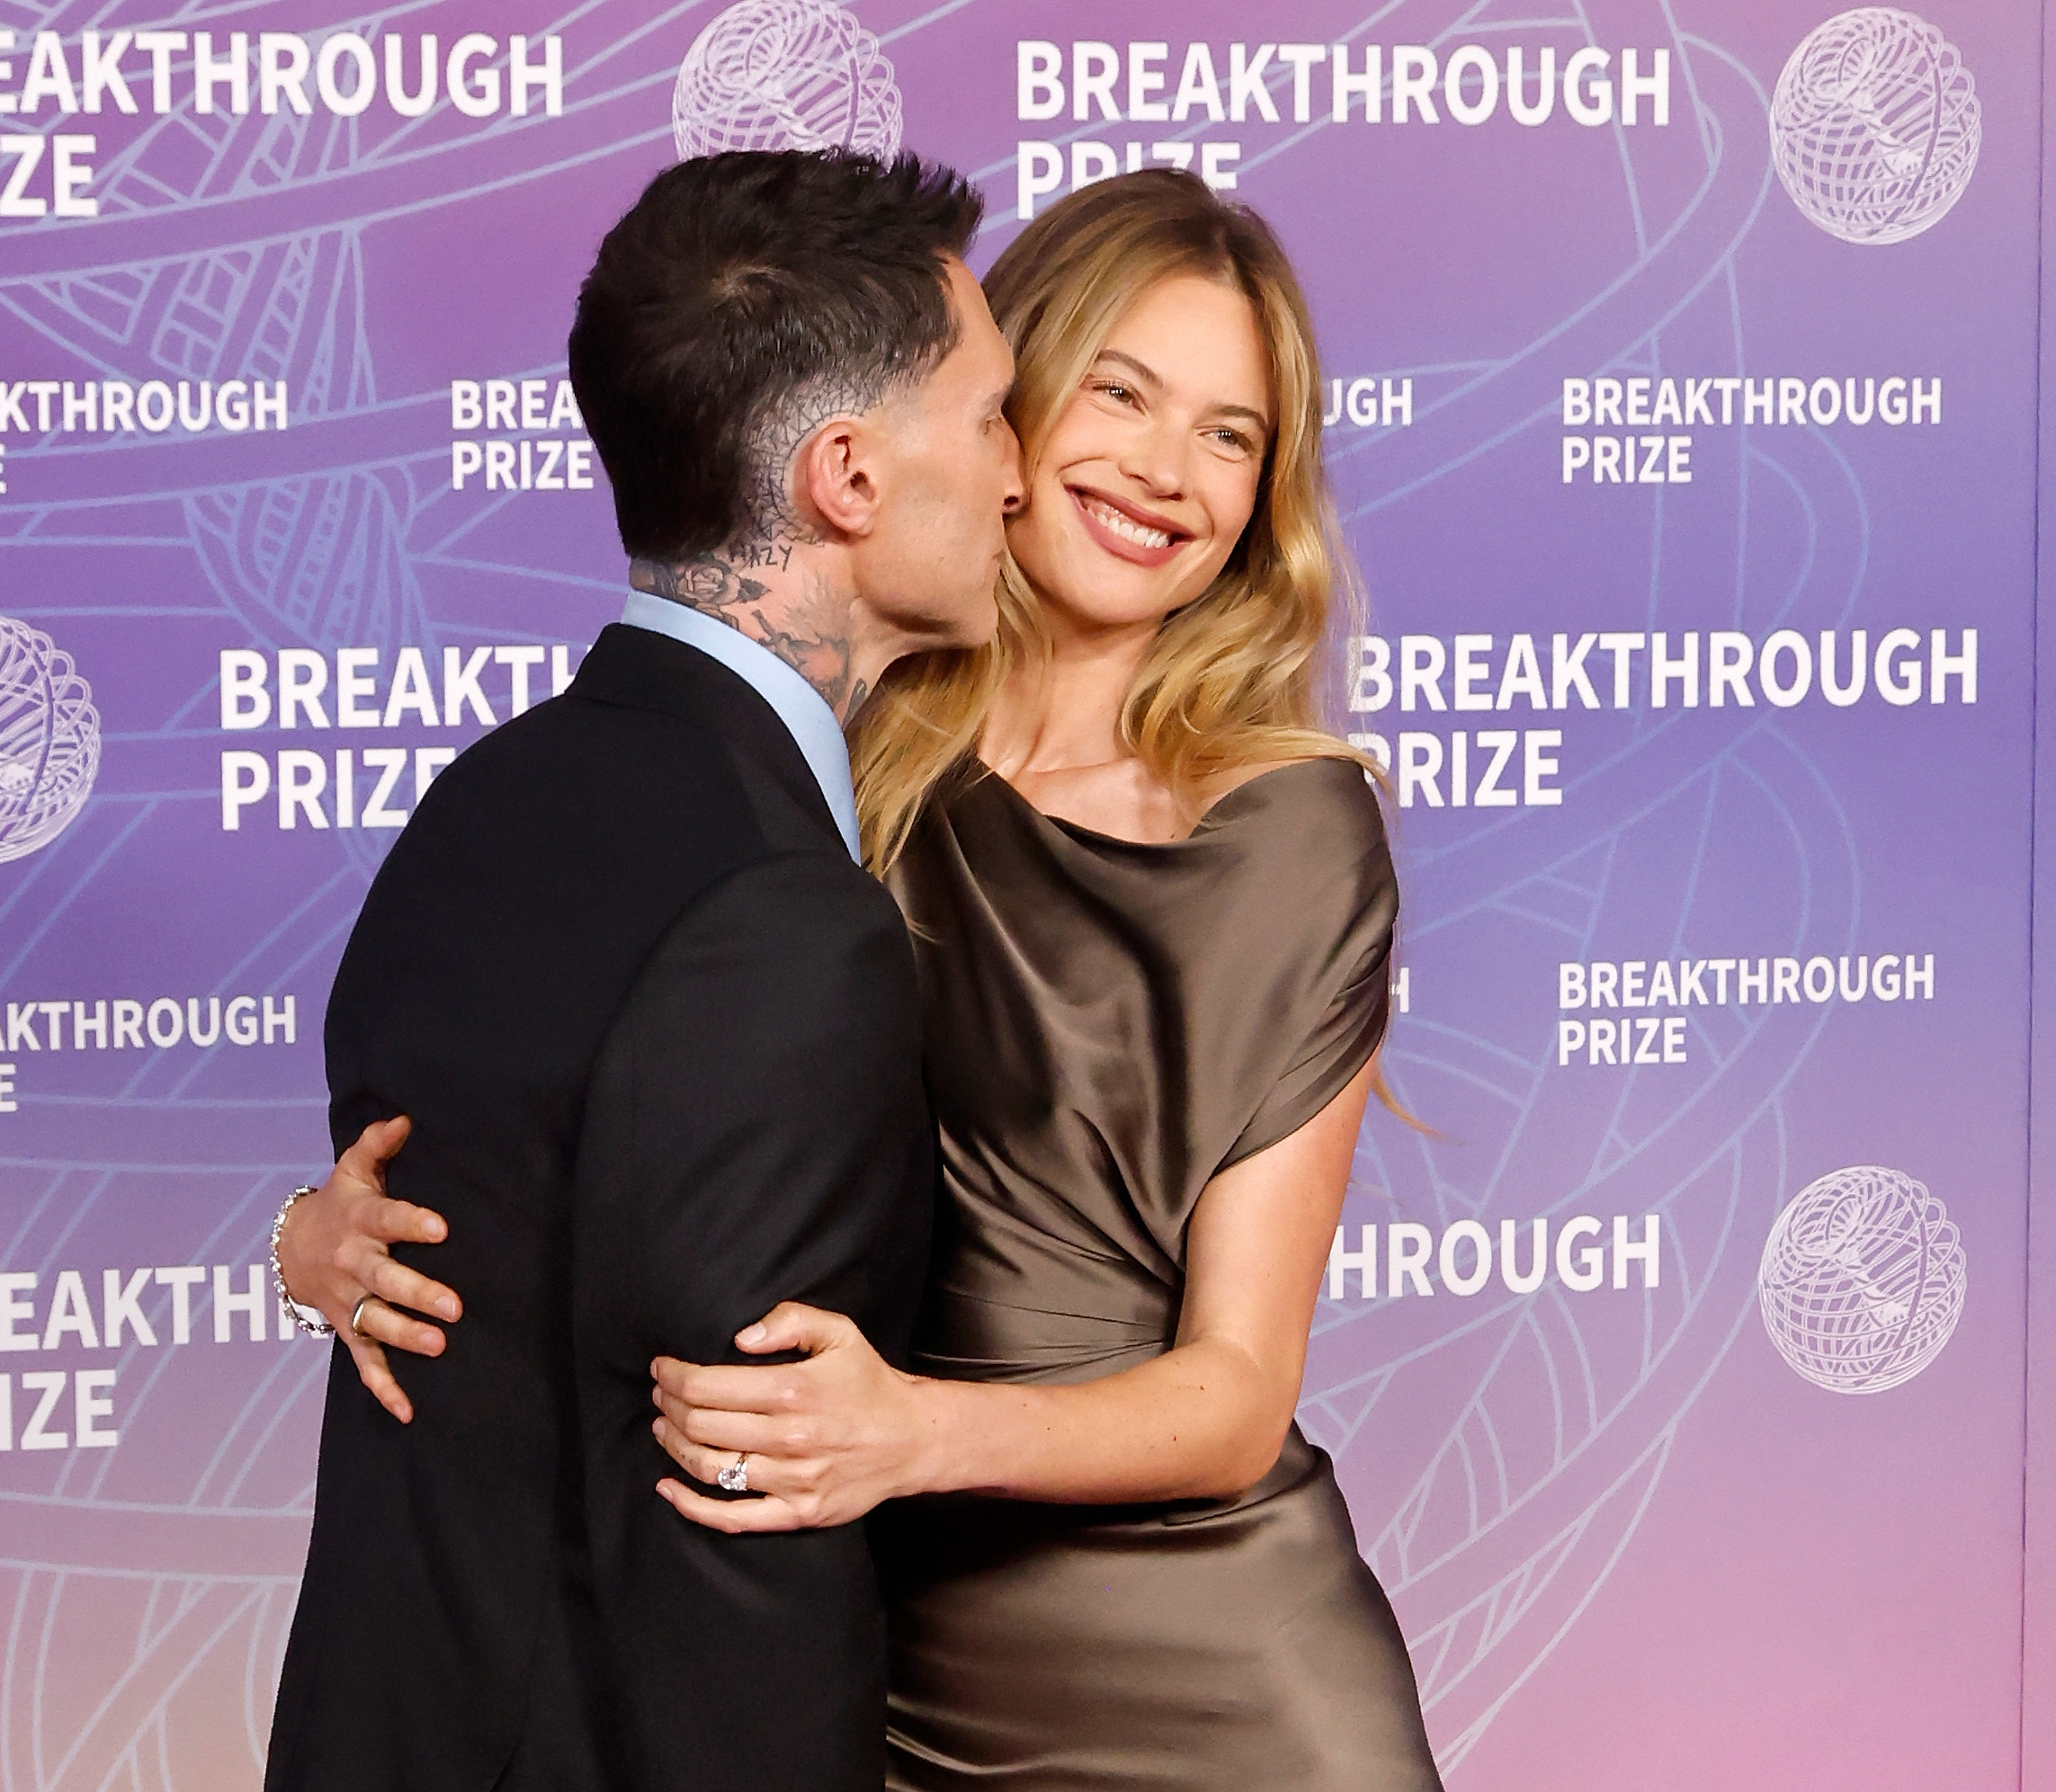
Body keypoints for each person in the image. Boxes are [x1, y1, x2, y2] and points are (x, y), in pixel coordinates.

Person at [290, 167, 1440, 1789]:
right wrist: (318, 1233)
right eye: (1118, 392)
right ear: (998, 423)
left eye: (1233, 434)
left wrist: (910, 1432)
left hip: (1191, 1685)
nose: (1168, 472)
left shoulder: (1291, 827)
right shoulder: (831, 762)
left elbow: (1233, 1398)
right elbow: (592, 1124)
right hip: (849, 1669)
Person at [261, 148, 1020, 1792]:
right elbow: (732, 1527)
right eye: (987, 417)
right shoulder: (785, 917)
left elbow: (474, 1279)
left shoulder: (481, 803)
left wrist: (289, 1238)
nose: (1019, 476)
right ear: (848, 477)